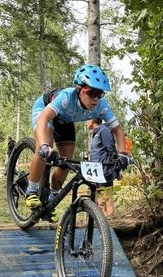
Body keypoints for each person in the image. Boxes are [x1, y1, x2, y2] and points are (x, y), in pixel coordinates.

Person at [24, 64, 132, 209]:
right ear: (79, 89)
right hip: (45, 111)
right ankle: (31, 190)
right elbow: (43, 119)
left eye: (100, 94)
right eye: (92, 93)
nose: (96, 98)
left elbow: (117, 130)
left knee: (66, 161)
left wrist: (123, 154)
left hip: (65, 120)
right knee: (45, 146)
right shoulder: (67, 97)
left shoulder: (102, 105)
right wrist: (44, 145)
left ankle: (53, 195)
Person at [86, 117, 118, 216]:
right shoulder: (96, 133)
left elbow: (111, 149)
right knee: (100, 198)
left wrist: (116, 168)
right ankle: (103, 220)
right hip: (96, 172)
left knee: (107, 196)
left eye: (87, 120)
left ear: (92, 120)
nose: (86, 122)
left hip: (105, 169)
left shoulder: (104, 130)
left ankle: (111, 218)